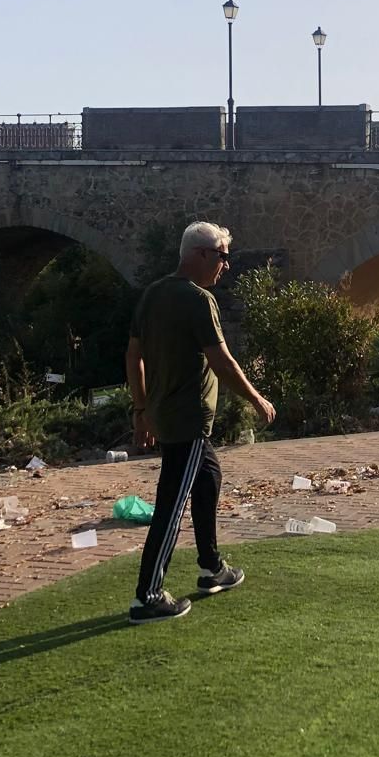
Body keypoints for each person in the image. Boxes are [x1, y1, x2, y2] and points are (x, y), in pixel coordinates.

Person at [124, 221, 275, 624]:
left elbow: (132, 356)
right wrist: (256, 398)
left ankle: (212, 567)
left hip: (166, 414)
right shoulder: (197, 299)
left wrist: (141, 411)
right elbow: (222, 360)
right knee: (171, 506)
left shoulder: (152, 295)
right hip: (186, 418)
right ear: (200, 254)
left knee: (208, 479)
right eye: (223, 256)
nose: (226, 265)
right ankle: (148, 596)